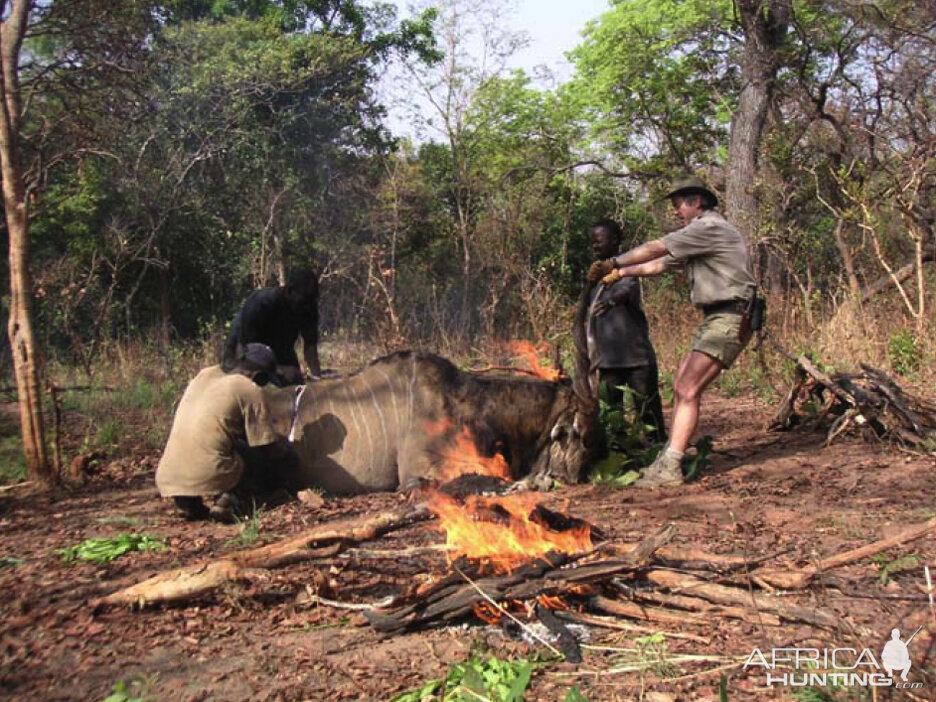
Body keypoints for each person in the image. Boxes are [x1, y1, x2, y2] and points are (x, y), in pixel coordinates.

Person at [587, 176, 755, 487]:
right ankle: (670, 456)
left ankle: (671, 465)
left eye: (679, 205)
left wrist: (613, 261)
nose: (676, 212)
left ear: (697, 203)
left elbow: (657, 248)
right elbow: (660, 264)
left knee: (688, 388)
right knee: (681, 384)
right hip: (717, 317)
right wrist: (620, 272)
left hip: (729, 315)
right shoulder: (701, 237)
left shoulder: (709, 228)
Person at [156, 343, 292, 522]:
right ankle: (231, 498)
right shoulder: (249, 388)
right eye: (266, 381)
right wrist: (289, 457)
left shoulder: (204, 375)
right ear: (258, 376)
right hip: (211, 471)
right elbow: (266, 446)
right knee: (255, 455)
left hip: (168, 476)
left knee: (215, 443)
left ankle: (188, 501)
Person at [585, 219, 666, 445]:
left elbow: (626, 291)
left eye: (599, 241)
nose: (595, 246)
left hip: (636, 359)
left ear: (615, 241)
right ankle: (619, 450)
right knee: (612, 413)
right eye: (592, 242)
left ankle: (657, 448)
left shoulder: (627, 271)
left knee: (647, 408)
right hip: (608, 362)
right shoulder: (595, 274)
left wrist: (611, 300)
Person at [221, 268, 320, 384]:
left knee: (295, 380)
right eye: (302, 301)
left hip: (279, 348)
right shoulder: (261, 303)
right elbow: (247, 352)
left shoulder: (309, 307)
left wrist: (317, 378)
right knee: (245, 383)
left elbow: (310, 347)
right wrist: (278, 370)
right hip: (245, 350)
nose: (306, 307)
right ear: (289, 290)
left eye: (310, 301)